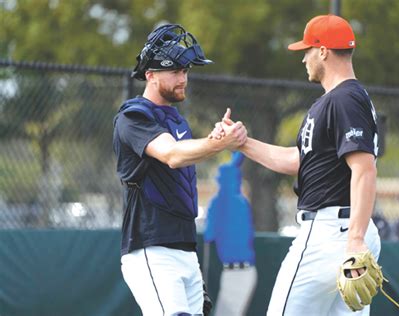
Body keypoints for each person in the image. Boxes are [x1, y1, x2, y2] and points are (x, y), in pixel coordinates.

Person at [211, 14, 381, 315]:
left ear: (324, 51)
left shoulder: (343, 99)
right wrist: (243, 142)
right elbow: (300, 161)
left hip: (331, 232)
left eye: (308, 50)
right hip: (345, 231)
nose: (304, 58)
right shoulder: (341, 100)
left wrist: (354, 239)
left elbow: (364, 169)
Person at [112, 24, 247, 316]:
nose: (183, 78)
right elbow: (171, 155)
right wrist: (217, 144)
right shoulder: (133, 116)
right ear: (150, 75)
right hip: (151, 248)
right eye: (174, 70)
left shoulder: (177, 121)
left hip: (185, 250)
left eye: (185, 71)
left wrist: (214, 141)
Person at [204, 152, 257, 316]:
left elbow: (209, 235)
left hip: (236, 273)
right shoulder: (242, 202)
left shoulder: (218, 203)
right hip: (243, 272)